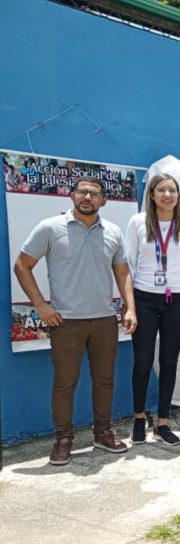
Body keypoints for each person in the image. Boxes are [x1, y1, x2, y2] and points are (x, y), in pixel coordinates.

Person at [14, 177, 137, 466]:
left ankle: (103, 432)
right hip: (65, 322)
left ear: (103, 201)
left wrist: (129, 308)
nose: (87, 197)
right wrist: (41, 305)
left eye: (94, 194)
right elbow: (22, 265)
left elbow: (122, 273)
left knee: (105, 380)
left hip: (105, 320)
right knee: (65, 383)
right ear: (72, 196)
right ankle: (63, 439)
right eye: (82, 191)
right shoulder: (50, 228)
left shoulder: (113, 232)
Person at [125, 173, 180, 445]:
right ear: (152, 195)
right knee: (143, 362)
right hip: (144, 299)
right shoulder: (137, 222)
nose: (167, 195)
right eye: (161, 190)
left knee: (169, 363)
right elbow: (129, 267)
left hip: (177, 302)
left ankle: (163, 422)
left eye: (172, 190)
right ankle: (138, 418)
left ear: (178, 195)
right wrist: (130, 306)